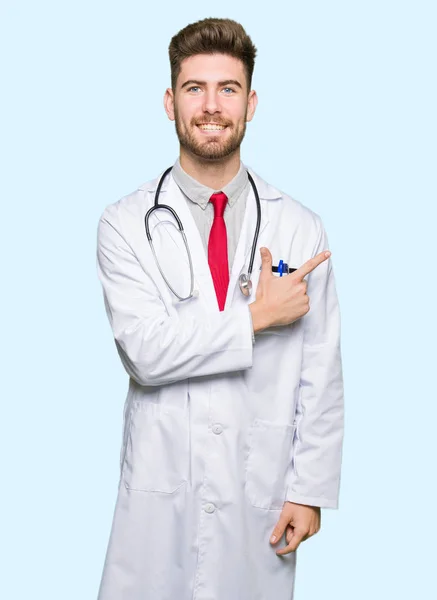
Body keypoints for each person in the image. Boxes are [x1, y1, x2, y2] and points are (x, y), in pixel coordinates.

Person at [96, 17, 344, 600]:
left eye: (227, 89)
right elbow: (147, 354)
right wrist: (257, 316)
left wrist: (308, 490)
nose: (211, 106)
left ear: (251, 103)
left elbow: (321, 371)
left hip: (254, 491)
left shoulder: (299, 226)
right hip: (160, 498)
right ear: (169, 101)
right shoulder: (125, 224)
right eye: (194, 88)